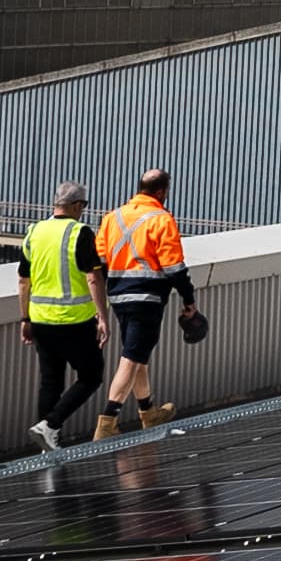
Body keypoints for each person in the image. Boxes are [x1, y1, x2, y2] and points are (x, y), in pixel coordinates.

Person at [95, 167, 199, 438]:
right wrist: (189, 300)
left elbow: (100, 262)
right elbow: (174, 267)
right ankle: (107, 422)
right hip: (148, 298)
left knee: (138, 354)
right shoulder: (161, 219)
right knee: (130, 359)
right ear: (163, 191)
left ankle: (148, 412)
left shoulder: (112, 217)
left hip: (118, 297)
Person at [18, 181, 110, 452]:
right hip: (74, 320)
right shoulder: (79, 232)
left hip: (41, 320)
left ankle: (47, 440)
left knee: (51, 381)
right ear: (76, 205)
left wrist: (25, 319)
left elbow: (24, 280)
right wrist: (103, 317)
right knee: (91, 376)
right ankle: (51, 424)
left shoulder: (34, 231)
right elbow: (93, 277)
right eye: (83, 206)